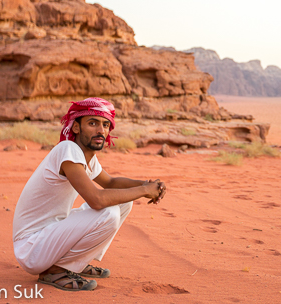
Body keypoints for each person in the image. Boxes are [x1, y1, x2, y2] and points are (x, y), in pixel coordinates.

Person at [12, 97, 166, 291]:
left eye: (105, 124)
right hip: (32, 247)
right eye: (92, 123)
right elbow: (96, 199)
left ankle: (75, 262)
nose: (100, 130)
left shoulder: (86, 157)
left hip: (49, 238)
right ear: (76, 128)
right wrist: (143, 191)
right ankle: (55, 270)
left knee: (124, 202)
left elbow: (110, 182)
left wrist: (147, 185)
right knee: (108, 212)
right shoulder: (68, 149)